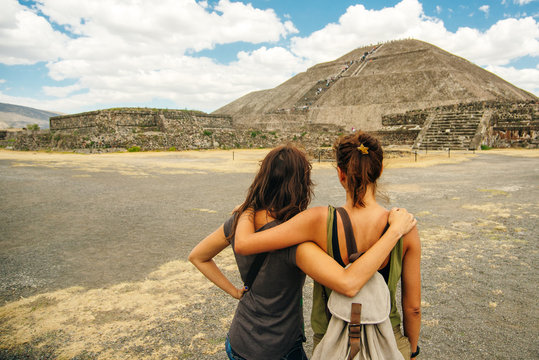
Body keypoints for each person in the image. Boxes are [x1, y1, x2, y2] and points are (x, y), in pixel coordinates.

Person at [189, 143, 417, 360]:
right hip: (282, 347)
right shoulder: (296, 243)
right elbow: (351, 283)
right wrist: (394, 231)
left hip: (238, 341)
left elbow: (198, 256)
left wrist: (235, 291)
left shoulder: (239, 222)